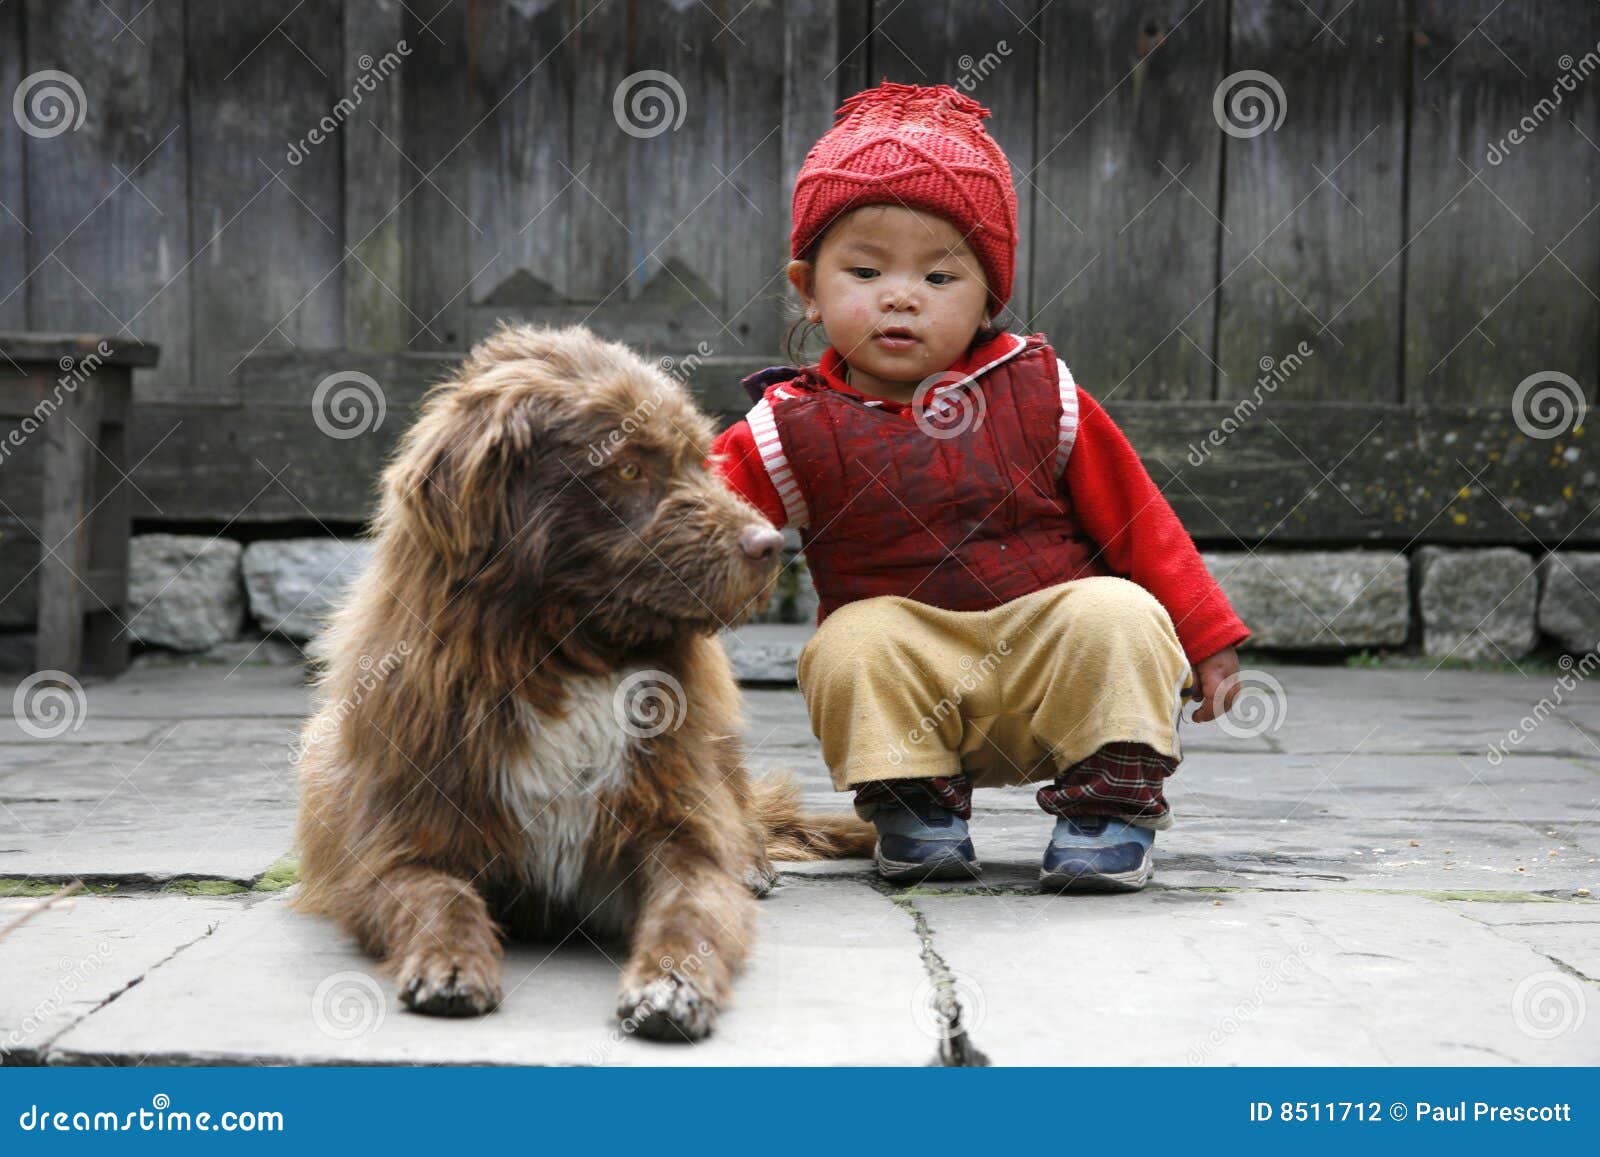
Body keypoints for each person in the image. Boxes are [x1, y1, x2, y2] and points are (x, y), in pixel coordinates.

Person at [707, 80, 1249, 892]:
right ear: (807, 288)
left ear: (990, 297)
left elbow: (1137, 516)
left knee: (1122, 611)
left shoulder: (1037, 386)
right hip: (910, 675)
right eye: (864, 270)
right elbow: (694, 518)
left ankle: (1107, 812)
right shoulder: (787, 424)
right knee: (849, 642)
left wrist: (1207, 635)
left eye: (939, 279)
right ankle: (916, 810)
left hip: (1048, 660)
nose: (899, 296)